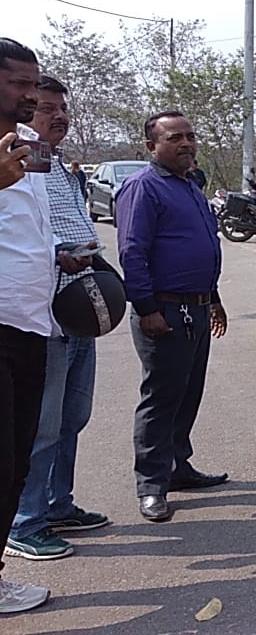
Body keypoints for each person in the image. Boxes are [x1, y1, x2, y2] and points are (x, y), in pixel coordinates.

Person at [7, 76, 110, 563]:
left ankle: (57, 504)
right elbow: (23, 236)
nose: (59, 116)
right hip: (40, 312)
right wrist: (57, 253)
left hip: (77, 310)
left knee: (73, 417)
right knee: (41, 426)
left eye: (61, 108)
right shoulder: (16, 164)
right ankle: (25, 523)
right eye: (47, 108)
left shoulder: (60, 167)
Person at [116, 111, 229, 524]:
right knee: (162, 398)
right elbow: (132, 252)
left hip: (196, 306)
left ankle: (178, 466)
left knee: (188, 392)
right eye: (174, 138)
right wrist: (147, 309)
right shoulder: (143, 187)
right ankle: (151, 485)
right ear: (152, 146)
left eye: (190, 136)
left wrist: (213, 298)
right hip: (164, 310)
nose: (186, 144)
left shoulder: (190, 185)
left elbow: (202, 248)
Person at [0, 38, 78, 613]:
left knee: (15, 461)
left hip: (32, 322)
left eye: (35, 83)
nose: (30, 94)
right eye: (19, 84)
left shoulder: (31, 145)